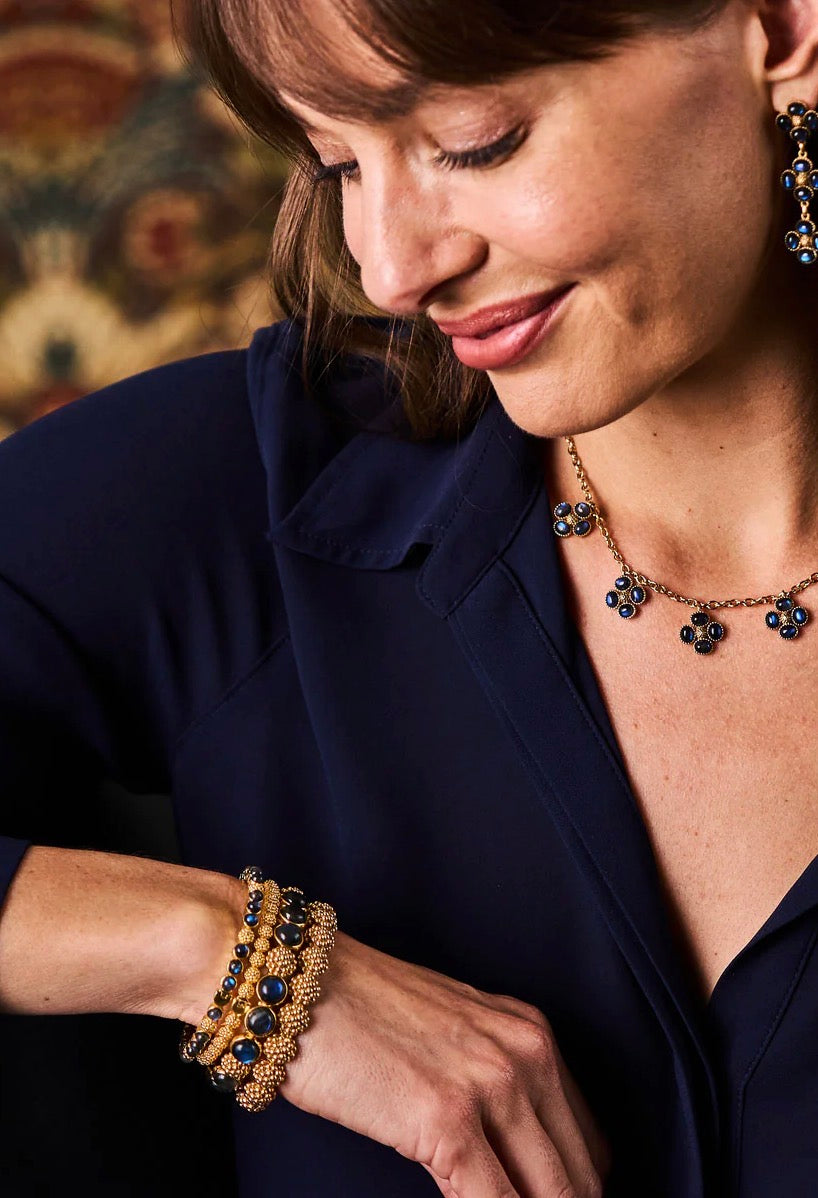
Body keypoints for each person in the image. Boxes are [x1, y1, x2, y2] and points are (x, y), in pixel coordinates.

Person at [2, 0, 818, 1193]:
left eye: (473, 143)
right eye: (336, 164)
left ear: (781, 29)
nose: (391, 269)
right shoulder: (237, 491)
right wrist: (229, 959)